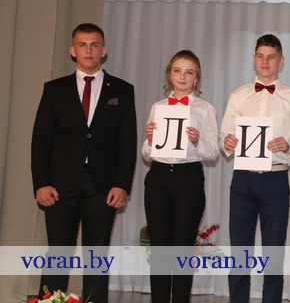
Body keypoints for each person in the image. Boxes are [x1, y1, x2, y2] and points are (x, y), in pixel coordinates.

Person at [31, 23, 137, 303]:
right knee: (58, 252)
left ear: (104, 50)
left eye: (94, 45)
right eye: (82, 45)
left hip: (103, 186)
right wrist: (41, 183)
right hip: (59, 185)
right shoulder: (54, 89)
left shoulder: (123, 90)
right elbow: (41, 140)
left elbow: (128, 143)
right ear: (72, 50)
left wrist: (122, 184)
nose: (88, 50)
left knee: (97, 255)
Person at [220, 34, 290, 303]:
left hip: (275, 180)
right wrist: (227, 141)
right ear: (254, 59)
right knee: (239, 254)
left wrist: (288, 145)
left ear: (281, 61)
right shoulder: (238, 96)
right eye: (260, 56)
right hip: (243, 180)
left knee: (273, 257)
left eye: (271, 57)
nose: (265, 61)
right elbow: (224, 134)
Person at [142, 50, 219, 303]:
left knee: (183, 248)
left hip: (189, 178)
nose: (182, 77)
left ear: (196, 78)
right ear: (169, 75)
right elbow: (146, 154)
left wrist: (196, 141)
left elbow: (213, 152)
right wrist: (149, 139)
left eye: (189, 72)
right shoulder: (158, 107)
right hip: (158, 177)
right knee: (160, 248)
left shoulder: (205, 109)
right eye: (177, 71)